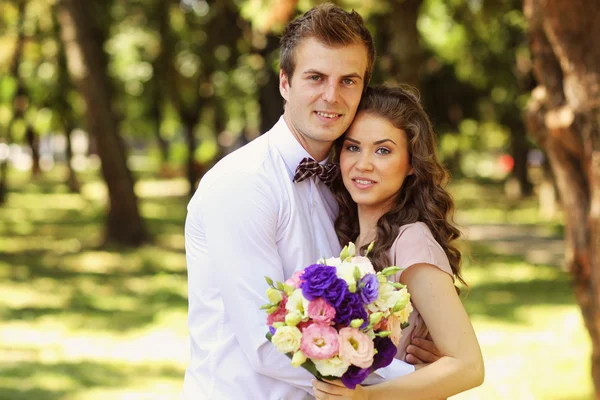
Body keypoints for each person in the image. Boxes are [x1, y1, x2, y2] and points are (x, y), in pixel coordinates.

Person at [182, 4, 440, 400]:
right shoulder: (242, 185)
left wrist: (407, 346)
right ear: (284, 82)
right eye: (315, 77)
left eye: (348, 81)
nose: (331, 96)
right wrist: (416, 379)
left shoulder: (351, 180)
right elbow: (267, 346)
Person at [312, 85, 485, 400]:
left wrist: (367, 398)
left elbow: (468, 365)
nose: (363, 164)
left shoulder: (412, 240)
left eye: (382, 150)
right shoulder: (347, 235)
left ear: (410, 163)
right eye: (353, 147)